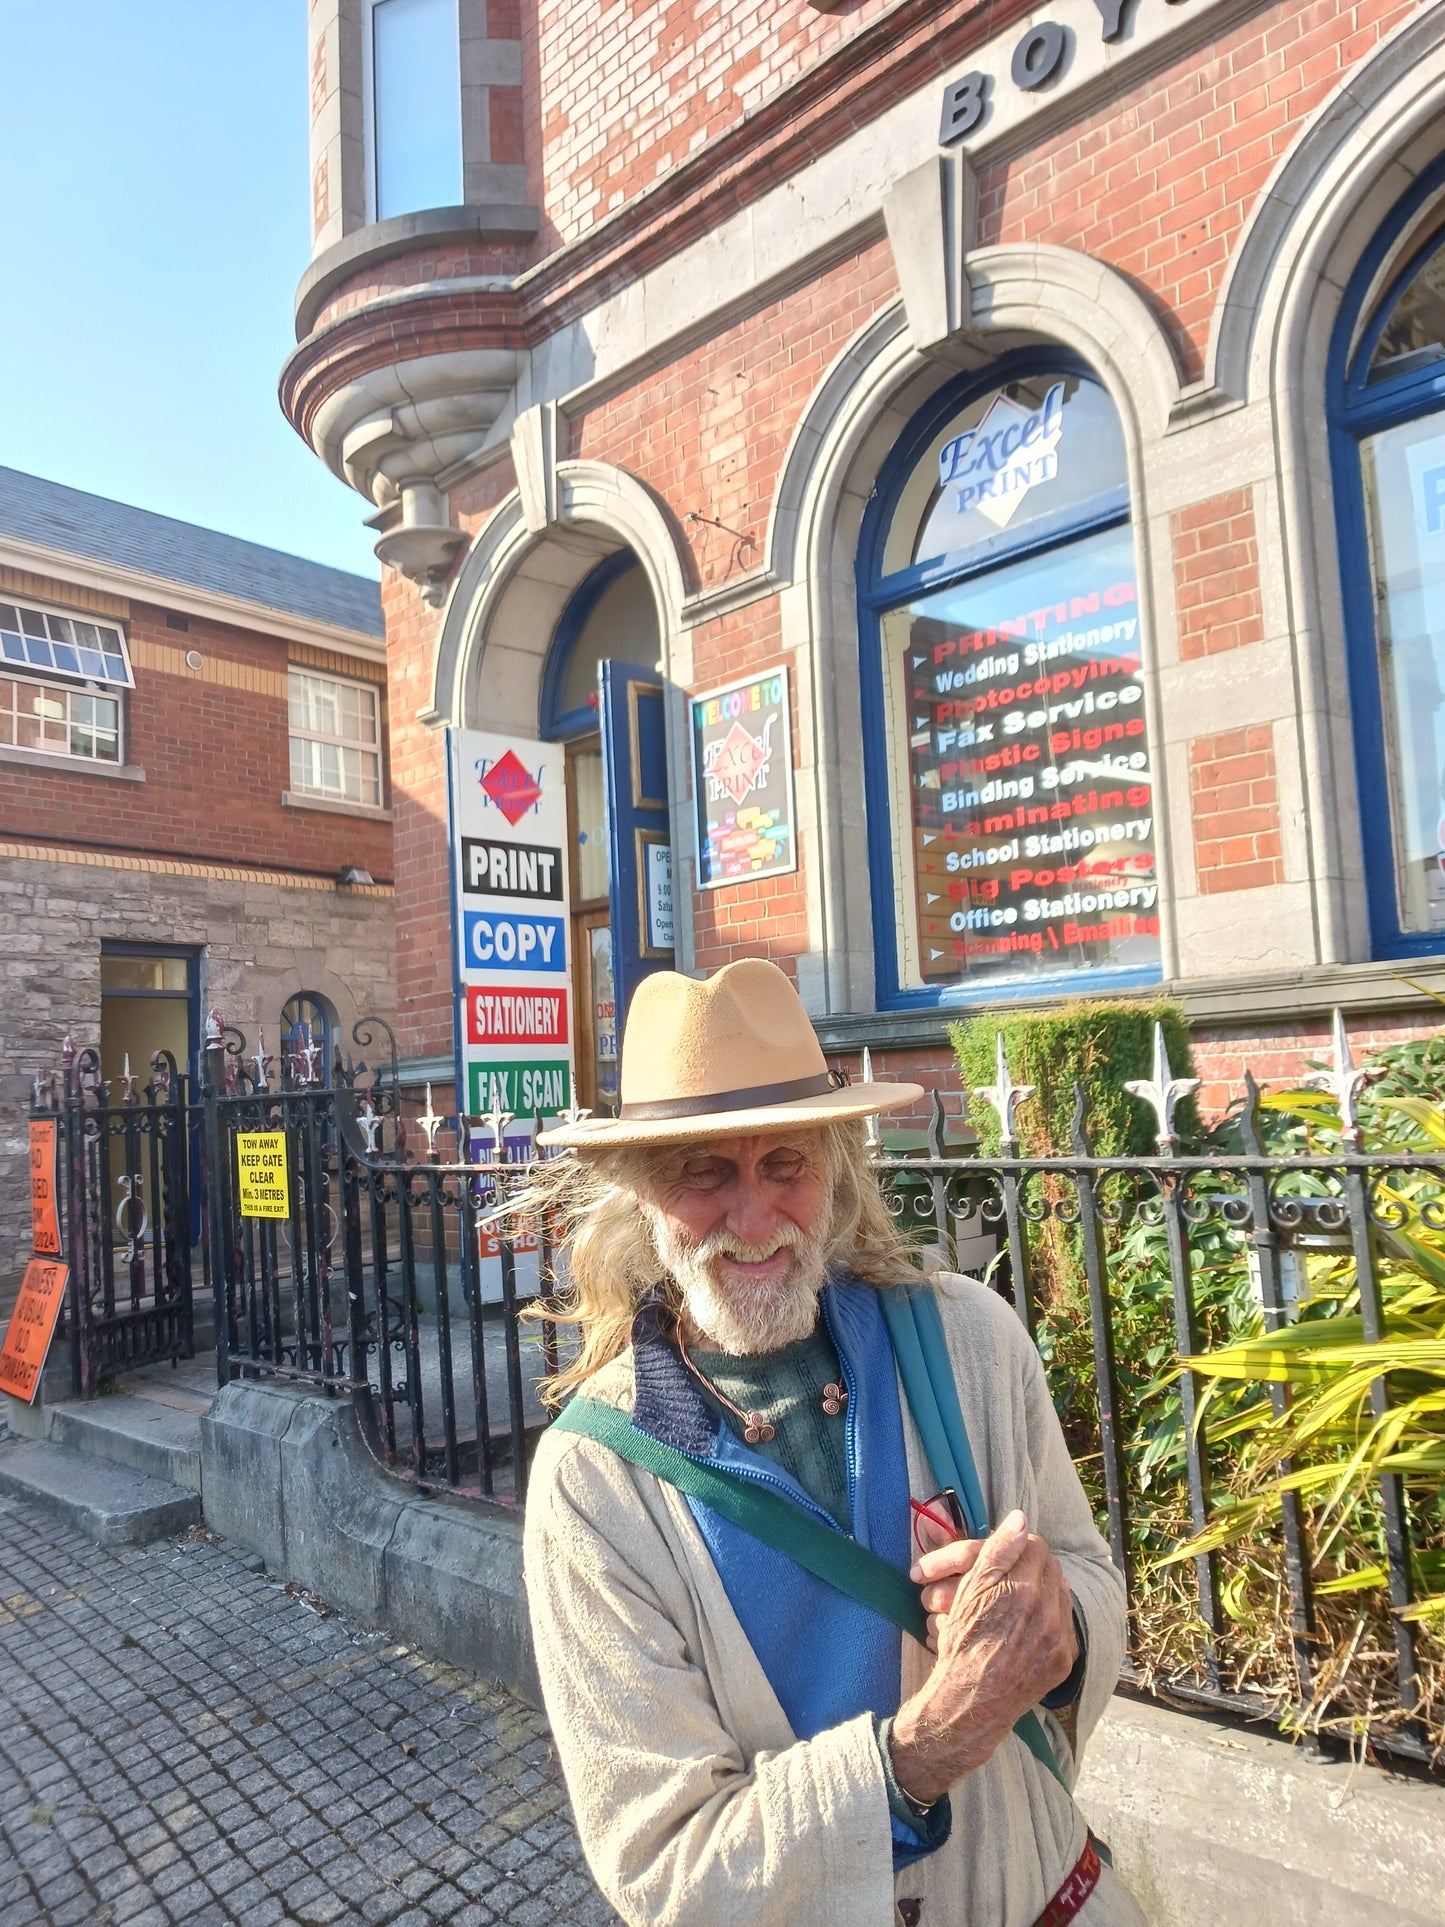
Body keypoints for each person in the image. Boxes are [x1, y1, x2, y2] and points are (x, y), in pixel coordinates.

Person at [520, 959, 1147, 1927]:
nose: (753, 1215)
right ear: (639, 1193)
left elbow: (1084, 1570)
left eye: (785, 1164)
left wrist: (1051, 1619)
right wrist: (931, 1740)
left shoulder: (968, 1339)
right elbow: (664, 1866)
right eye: (704, 1172)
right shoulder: (593, 1480)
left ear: (836, 1165)